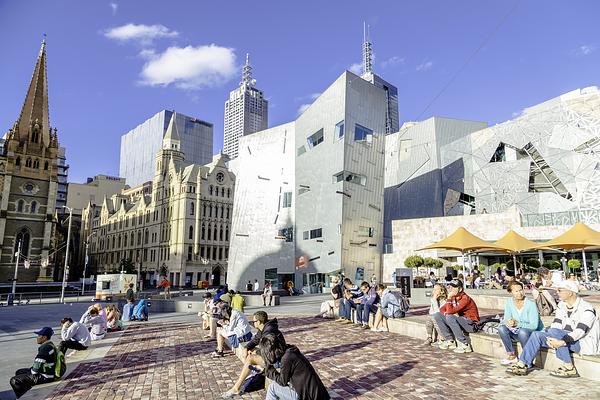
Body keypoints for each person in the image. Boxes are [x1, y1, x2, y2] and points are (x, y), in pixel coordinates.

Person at [506, 280, 600, 377]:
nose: (557, 292)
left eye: (560, 290)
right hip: (562, 339)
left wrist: (561, 341)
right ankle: (522, 364)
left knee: (554, 332)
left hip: (582, 343)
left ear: (570, 292)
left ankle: (569, 367)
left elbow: (579, 332)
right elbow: (556, 324)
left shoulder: (586, 308)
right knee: (537, 335)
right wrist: (551, 339)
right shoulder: (562, 305)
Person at [221, 311, 284, 398]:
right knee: (252, 351)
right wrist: (246, 348)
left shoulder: (269, 332)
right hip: (272, 355)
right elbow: (256, 340)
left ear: (259, 322)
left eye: (253, 321)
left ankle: (236, 387)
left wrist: (254, 354)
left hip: (277, 361)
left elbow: (270, 354)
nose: (252, 323)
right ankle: (256, 369)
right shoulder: (265, 328)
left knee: (251, 357)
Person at [260, 333, 330, 400]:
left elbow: (282, 381)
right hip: (316, 394)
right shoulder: (290, 351)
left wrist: (268, 370)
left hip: (309, 396)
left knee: (272, 388)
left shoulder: (287, 358)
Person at [497, 281, 544, 365]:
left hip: (531, 333)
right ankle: (511, 355)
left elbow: (534, 326)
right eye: (516, 291)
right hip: (516, 332)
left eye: (521, 290)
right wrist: (509, 322)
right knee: (501, 328)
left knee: (522, 331)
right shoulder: (509, 302)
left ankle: (526, 359)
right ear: (510, 292)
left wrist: (517, 324)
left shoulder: (531, 304)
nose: (520, 293)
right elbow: (506, 319)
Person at [433, 279, 480, 353]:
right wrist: (446, 312)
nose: (451, 289)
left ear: (460, 289)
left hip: (471, 324)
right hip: (462, 321)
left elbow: (450, 312)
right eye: (450, 287)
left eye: (454, 287)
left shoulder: (465, 299)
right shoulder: (454, 297)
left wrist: (448, 298)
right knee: (437, 315)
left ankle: (465, 345)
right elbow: (442, 309)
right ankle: (450, 341)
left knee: (449, 316)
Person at [10, 327, 58, 399]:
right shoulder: (50, 345)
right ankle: (25, 392)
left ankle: (22, 397)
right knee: (19, 372)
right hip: (49, 372)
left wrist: (30, 373)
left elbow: (35, 369)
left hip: (45, 376)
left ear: (44, 337)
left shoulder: (45, 348)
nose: (37, 338)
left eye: (39, 336)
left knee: (14, 380)